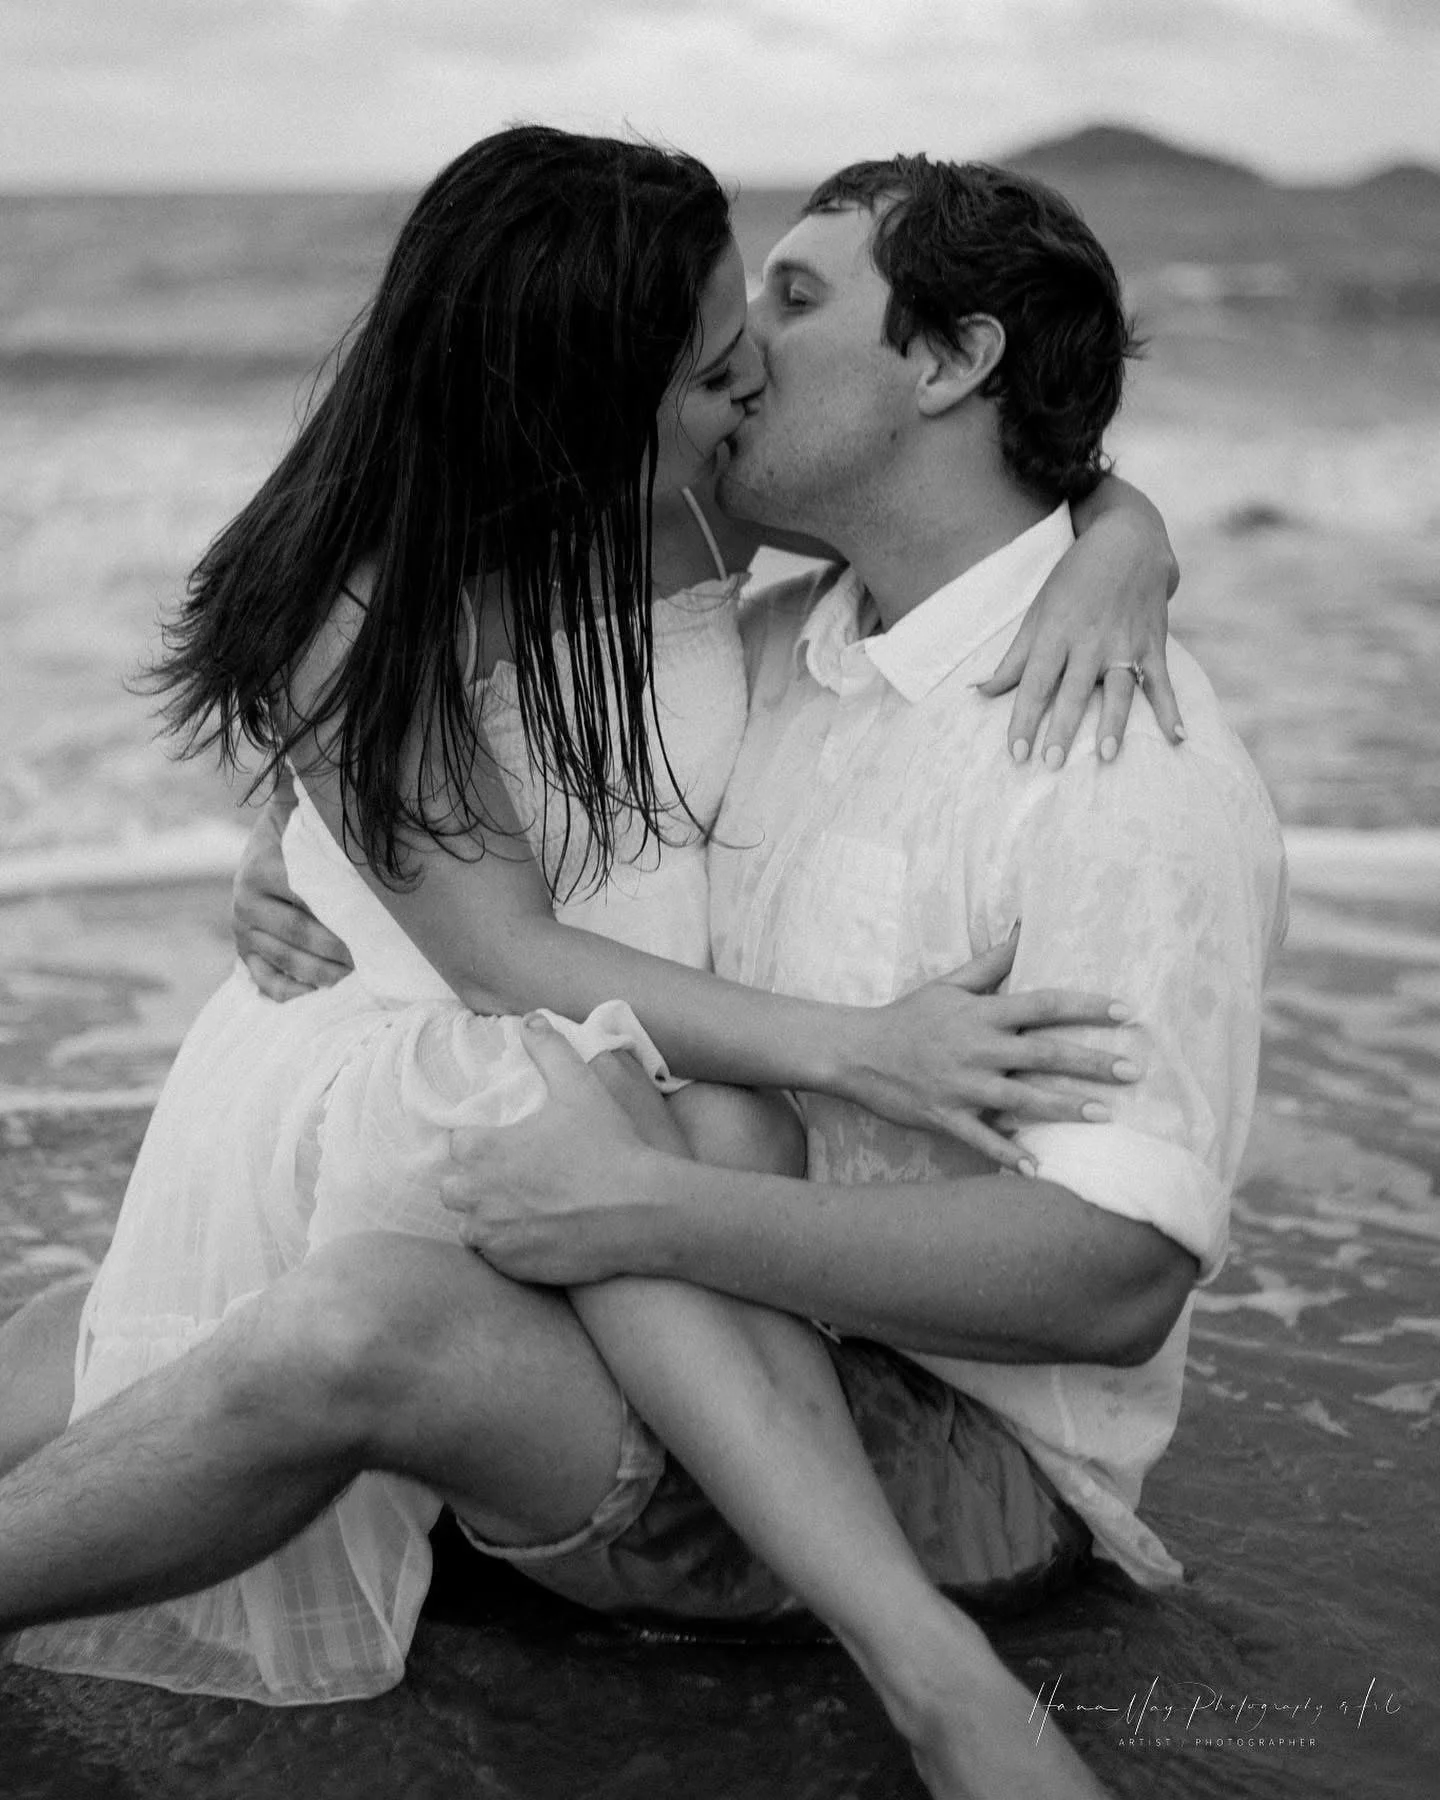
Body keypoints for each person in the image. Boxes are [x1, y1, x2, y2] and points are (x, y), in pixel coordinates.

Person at [0, 134, 1195, 1800]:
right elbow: (502, 953)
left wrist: (1122, 538)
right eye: (718, 354)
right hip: (467, 1035)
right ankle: (931, 1672)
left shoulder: (695, 512)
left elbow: (970, 486)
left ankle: (929, 1665)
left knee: (129, 1336)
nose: (751, 377)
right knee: (654, 1125)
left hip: (620, 1048)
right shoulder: (368, 606)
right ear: (587, 382)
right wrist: (857, 1046)